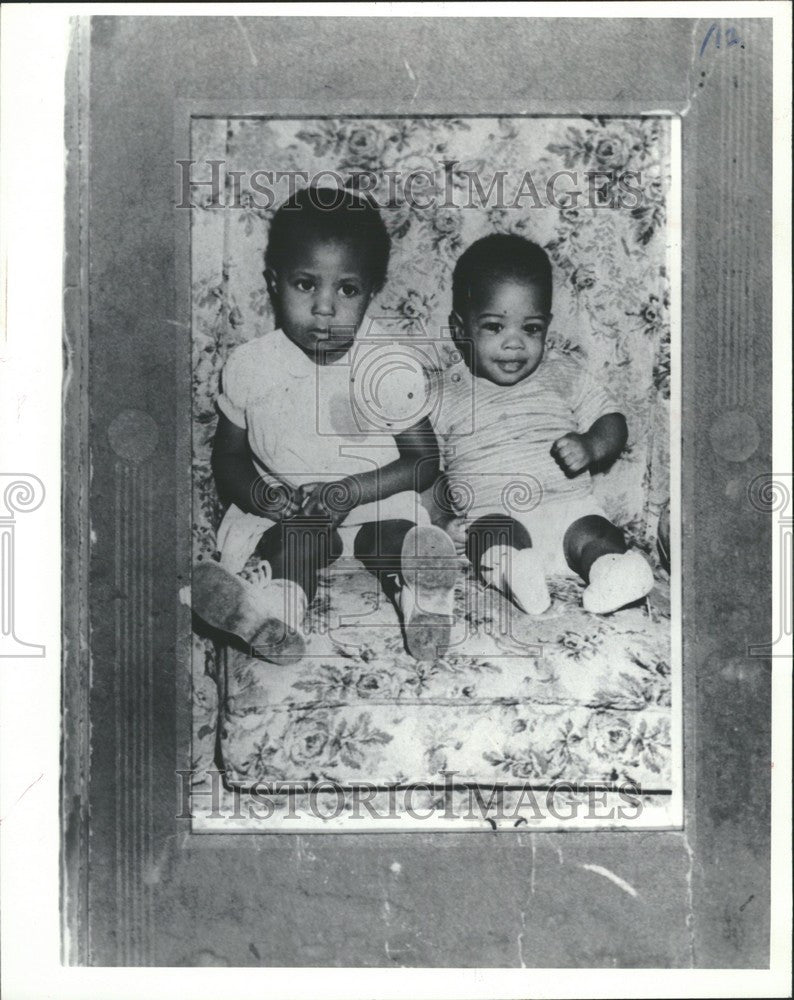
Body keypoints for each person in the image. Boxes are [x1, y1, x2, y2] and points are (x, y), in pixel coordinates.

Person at [191, 186, 456, 663]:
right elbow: (228, 456)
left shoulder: (388, 365)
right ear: (275, 282)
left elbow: (423, 462)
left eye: (347, 289)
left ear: (371, 290)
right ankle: (276, 616)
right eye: (306, 284)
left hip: (376, 500)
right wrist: (264, 496)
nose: (325, 308)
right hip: (293, 513)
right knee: (299, 540)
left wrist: (351, 491)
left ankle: (423, 603)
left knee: (394, 537)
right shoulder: (251, 366)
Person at [434, 233, 654, 616]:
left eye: (531, 328)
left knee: (598, 533)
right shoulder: (442, 393)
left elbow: (613, 421)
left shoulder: (563, 374)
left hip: (568, 508)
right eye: (494, 327)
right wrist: (439, 519)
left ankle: (612, 572)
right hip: (494, 514)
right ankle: (516, 574)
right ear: (459, 328)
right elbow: (425, 468)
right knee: (492, 534)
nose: (515, 344)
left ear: (547, 327)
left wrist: (591, 445)